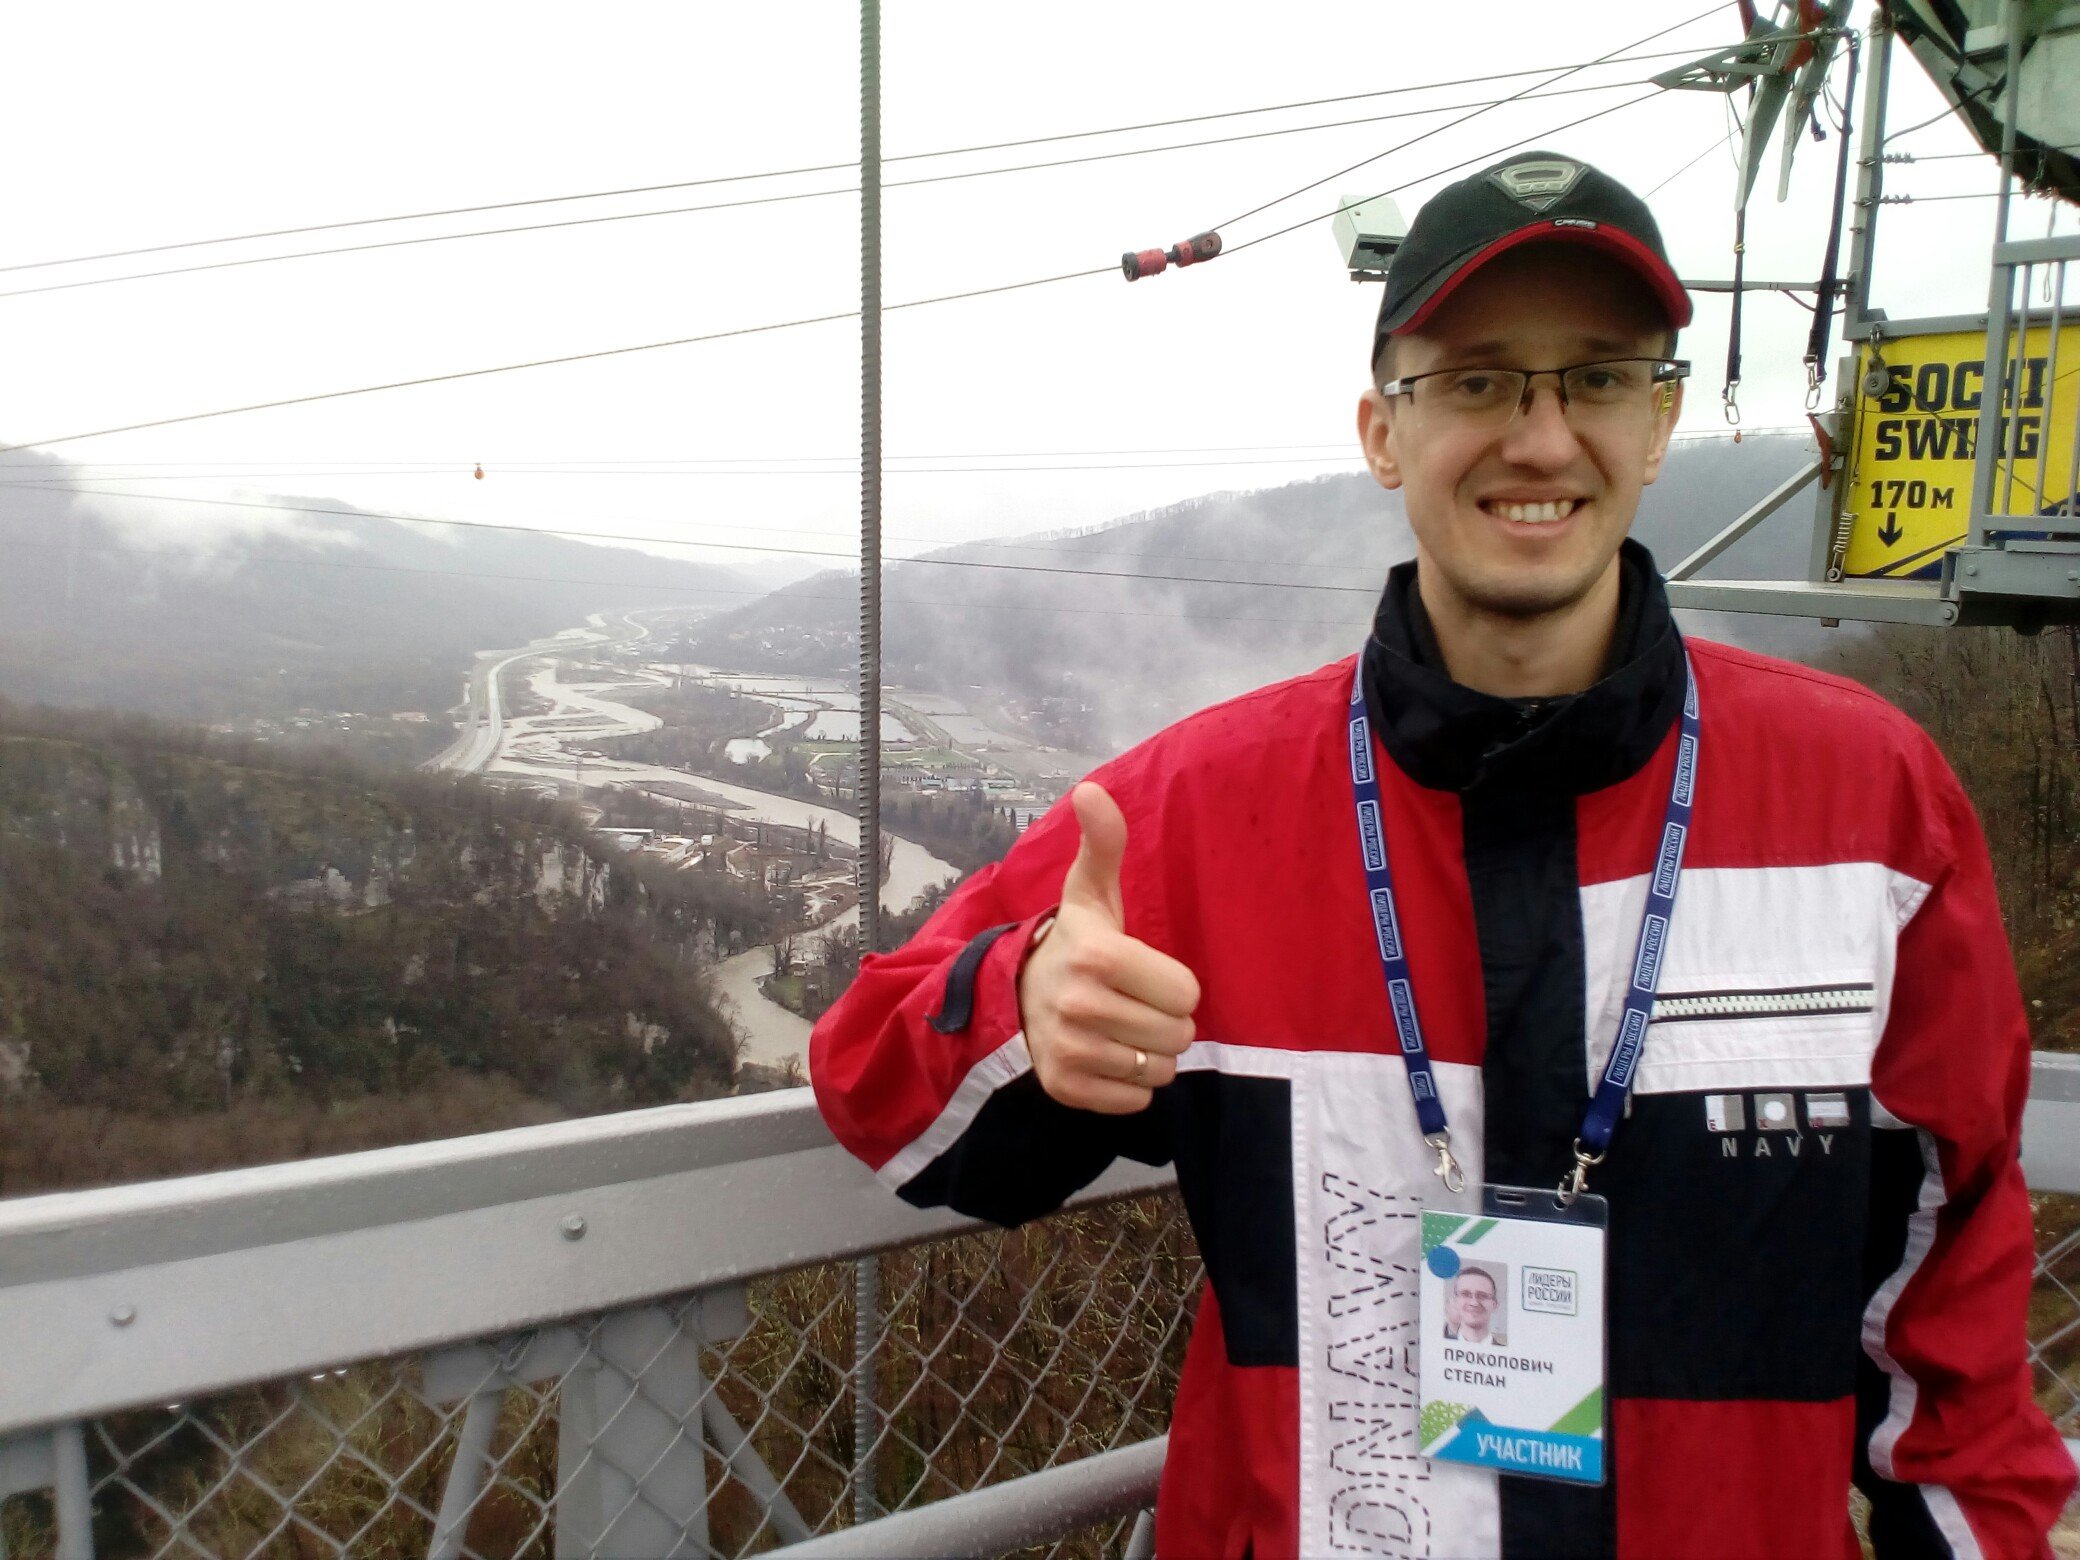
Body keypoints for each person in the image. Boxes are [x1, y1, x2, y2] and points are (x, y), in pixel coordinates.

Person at [811, 151, 2075, 1558]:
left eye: (1596, 378)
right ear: (1382, 432)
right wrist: (1026, 1003)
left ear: (1659, 421)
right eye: (1476, 382)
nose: (1541, 439)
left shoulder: (1868, 804)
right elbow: (874, 1085)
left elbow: (1949, 1310)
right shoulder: (1194, 810)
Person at [1443, 1266, 1504, 1346]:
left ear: (1494, 1304)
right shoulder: (1437, 1346)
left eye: (1482, 1296)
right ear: (1455, 1301)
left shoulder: (1510, 1352)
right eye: (1465, 1294)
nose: (1474, 1303)